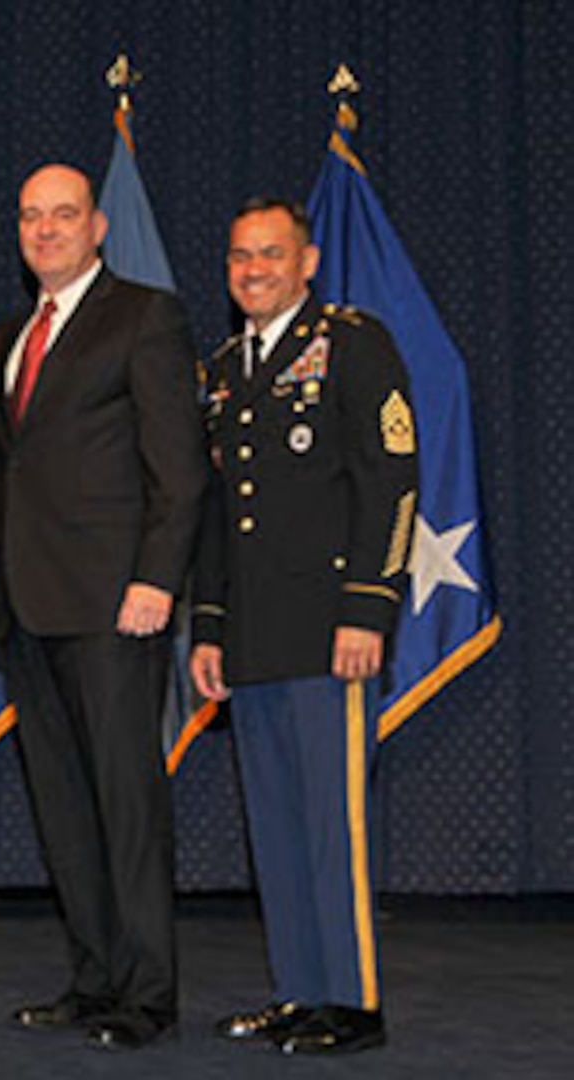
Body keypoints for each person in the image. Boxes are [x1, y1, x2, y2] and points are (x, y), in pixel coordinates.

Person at [0, 163, 207, 1051]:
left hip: (113, 605)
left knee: (125, 803)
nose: (45, 231)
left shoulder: (145, 316)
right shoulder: (13, 330)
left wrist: (155, 581)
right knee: (63, 805)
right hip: (25, 605)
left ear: (97, 227)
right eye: (30, 217)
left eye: (62, 216)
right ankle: (94, 979)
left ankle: (147, 995)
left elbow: (180, 471)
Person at [191, 198, 417, 1056]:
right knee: (277, 826)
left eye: (271, 255)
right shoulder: (223, 368)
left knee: (332, 823)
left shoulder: (351, 343)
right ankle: (298, 991)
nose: (253, 270)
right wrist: (208, 627)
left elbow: (391, 481)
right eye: (240, 257)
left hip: (331, 630)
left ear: (307, 260)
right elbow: (217, 514)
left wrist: (368, 606)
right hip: (251, 637)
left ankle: (352, 1002)